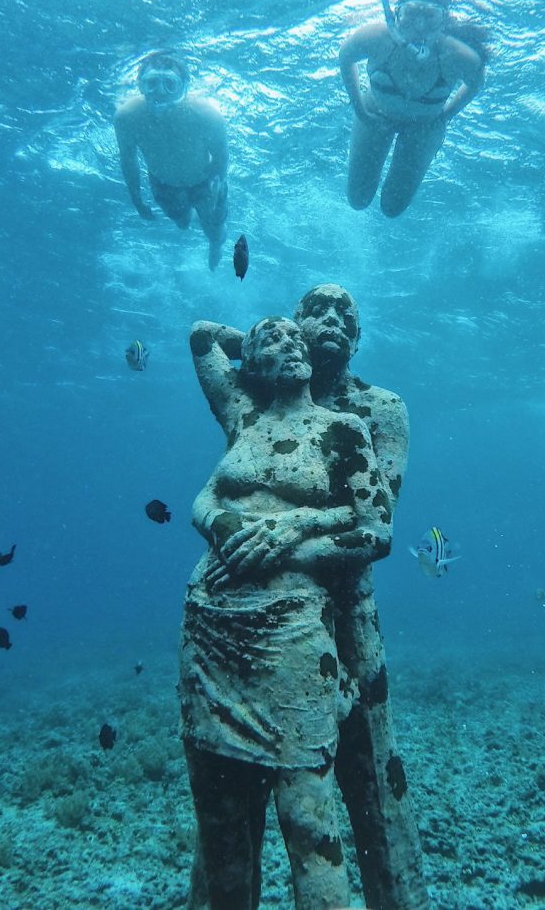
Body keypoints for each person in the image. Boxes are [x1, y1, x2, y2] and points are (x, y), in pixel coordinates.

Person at [189, 284, 428, 909]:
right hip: (235, 610)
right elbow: (206, 339)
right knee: (228, 800)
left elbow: (377, 518)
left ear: (359, 334)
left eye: (344, 315)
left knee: (368, 772)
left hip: (343, 606)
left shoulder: (376, 409)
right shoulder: (250, 403)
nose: (329, 322)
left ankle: (395, 896)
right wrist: (268, 342)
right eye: (312, 313)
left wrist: (292, 532)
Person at [339, 0, 486, 218]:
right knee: (357, 199)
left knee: (393, 207)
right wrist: (360, 110)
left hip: (424, 127)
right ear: (396, 14)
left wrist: (445, 117)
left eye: (429, 17)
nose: (419, 27)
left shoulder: (459, 56)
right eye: (412, 14)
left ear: (444, 21)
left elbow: (476, 84)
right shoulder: (376, 37)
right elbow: (345, 58)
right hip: (375, 113)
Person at [114, 51, 229, 268]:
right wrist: (136, 199)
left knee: (216, 231)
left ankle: (215, 245)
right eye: (152, 83)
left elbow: (221, 157)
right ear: (140, 85)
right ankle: (196, 216)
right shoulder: (127, 117)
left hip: (204, 181)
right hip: (164, 183)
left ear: (184, 86)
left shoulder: (206, 115)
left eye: (169, 84)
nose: (160, 92)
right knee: (183, 223)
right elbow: (128, 160)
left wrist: (216, 186)